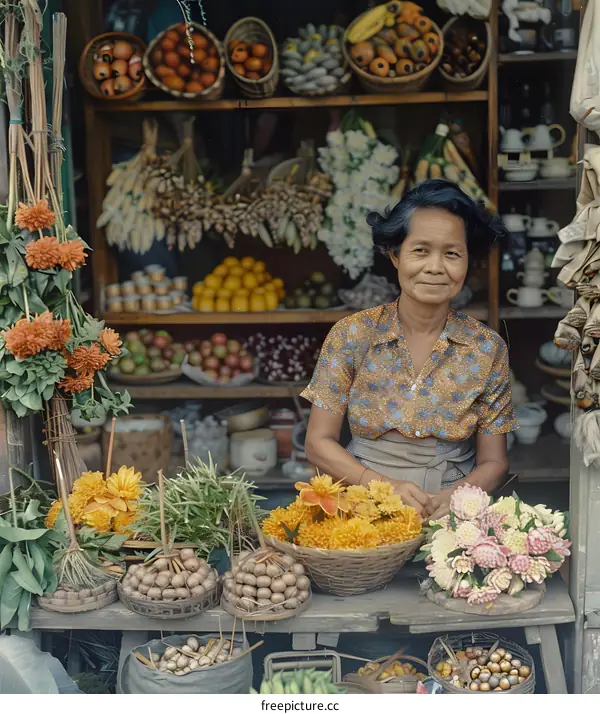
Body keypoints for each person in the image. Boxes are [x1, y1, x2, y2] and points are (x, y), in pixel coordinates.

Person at [301, 179, 519, 521]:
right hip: (360, 501)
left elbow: (495, 462)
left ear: (466, 261)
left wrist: (455, 497)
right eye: (420, 250)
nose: (435, 267)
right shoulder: (353, 334)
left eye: (451, 253)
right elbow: (318, 443)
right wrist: (382, 487)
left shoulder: (486, 347)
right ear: (395, 255)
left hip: (449, 509)